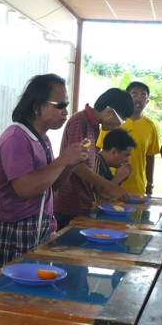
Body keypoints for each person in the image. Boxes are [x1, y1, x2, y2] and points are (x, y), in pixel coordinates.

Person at [0, 74, 87, 271]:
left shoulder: (42, 138)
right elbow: (25, 189)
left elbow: (53, 185)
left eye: (66, 105)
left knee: (37, 283)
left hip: (41, 224)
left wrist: (71, 163)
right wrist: (63, 159)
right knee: (15, 285)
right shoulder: (16, 138)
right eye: (59, 105)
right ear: (37, 107)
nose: (65, 112)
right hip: (17, 228)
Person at [54, 88, 134, 230]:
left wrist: (98, 190)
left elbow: (87, 164)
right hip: (69, 202)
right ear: (108, 112)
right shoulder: (80, 121)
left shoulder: (94, 126)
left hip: (83, 200)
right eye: (121, 120)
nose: (119, 126)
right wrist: (110, 186)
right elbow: (76, 165)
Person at [96, 81, 159, 195]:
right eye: (134, 94)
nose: (138, 99)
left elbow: (150, 156)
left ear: (147, 101)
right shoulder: (112, 120)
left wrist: (149, 184)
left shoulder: (150, 126)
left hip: (137, 187)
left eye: (143, 95)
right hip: (109, 184)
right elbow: (97, 150)